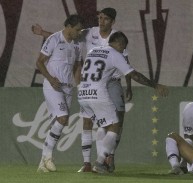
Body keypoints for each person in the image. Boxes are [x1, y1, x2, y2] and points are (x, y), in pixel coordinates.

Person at [32, 8, 132, 173]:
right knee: (74, 120)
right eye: (99, 18)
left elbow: (124, 61)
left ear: (112, 21)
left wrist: (128, 86)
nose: (101, 21)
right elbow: (63, 36)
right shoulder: (87, 33)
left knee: (112, 122)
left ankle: (107, 157)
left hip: (108, 82)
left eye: (105, 19)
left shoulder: (117, 38)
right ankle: (83, 162)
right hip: (80, 84)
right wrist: (43, 33)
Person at [78, 31, 169, 173]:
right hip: (97, 93)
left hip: (82, 93)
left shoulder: (93, 50)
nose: (123, 51)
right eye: (123, 47)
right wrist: (155, 85)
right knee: (115, 125)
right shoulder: (115, 54)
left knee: (103, 125)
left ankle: (100, 160)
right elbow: (134, 75)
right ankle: (100, 161)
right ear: (119, 43)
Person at [36, 14, 84, 172]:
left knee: (58, 123)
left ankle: (43, 163)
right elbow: (39, 62)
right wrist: (50, 79)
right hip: (53, 85)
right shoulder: (54, 39)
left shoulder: (77, 45)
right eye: (77, 29)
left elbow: (77, 66)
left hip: (68, 87)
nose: (79, 32)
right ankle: (48, 156)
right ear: (69, 26)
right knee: (62, 118)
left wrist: (79, 87)